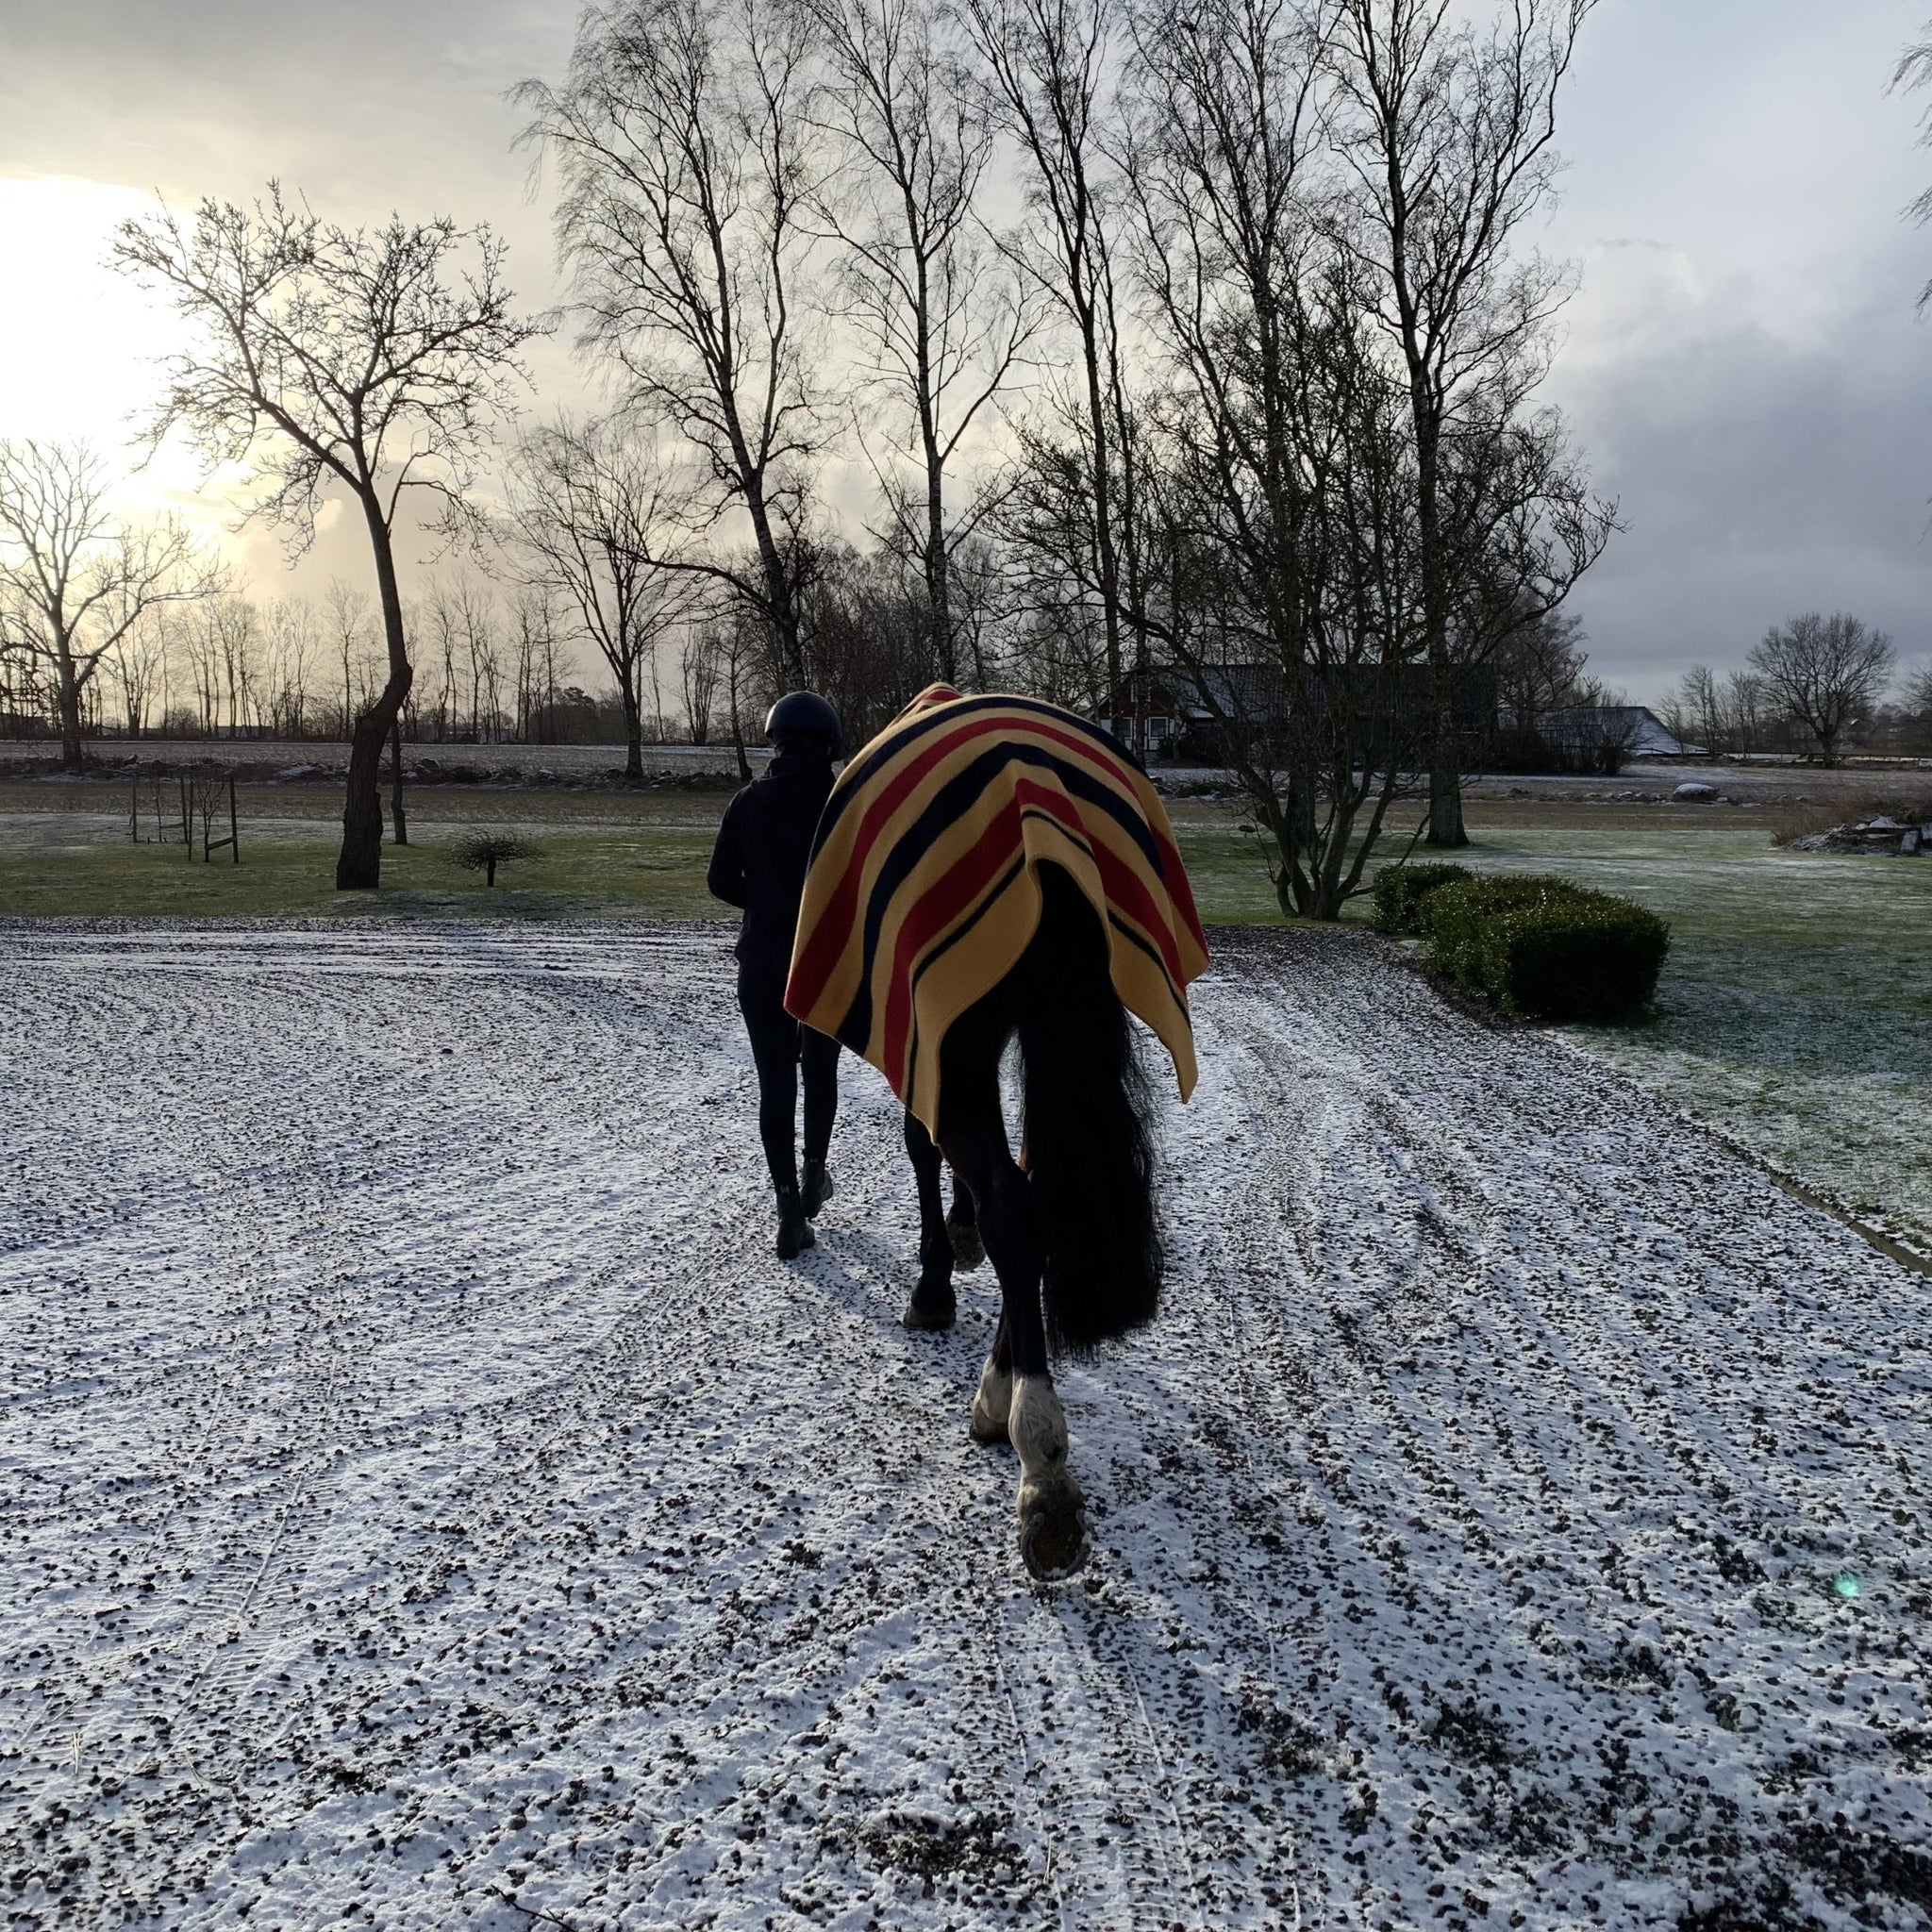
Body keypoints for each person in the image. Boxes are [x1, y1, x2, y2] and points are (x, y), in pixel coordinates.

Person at [707, 691, 844, 1259]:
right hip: (823, 963)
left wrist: (763, 904)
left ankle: (787, 1210)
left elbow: (718, 880)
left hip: (762, 962)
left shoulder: (747, 801)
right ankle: (816, 1171)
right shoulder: (841, 801)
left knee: (774, 1086)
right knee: (819, 1070)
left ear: (776, 739)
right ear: (827, 743)